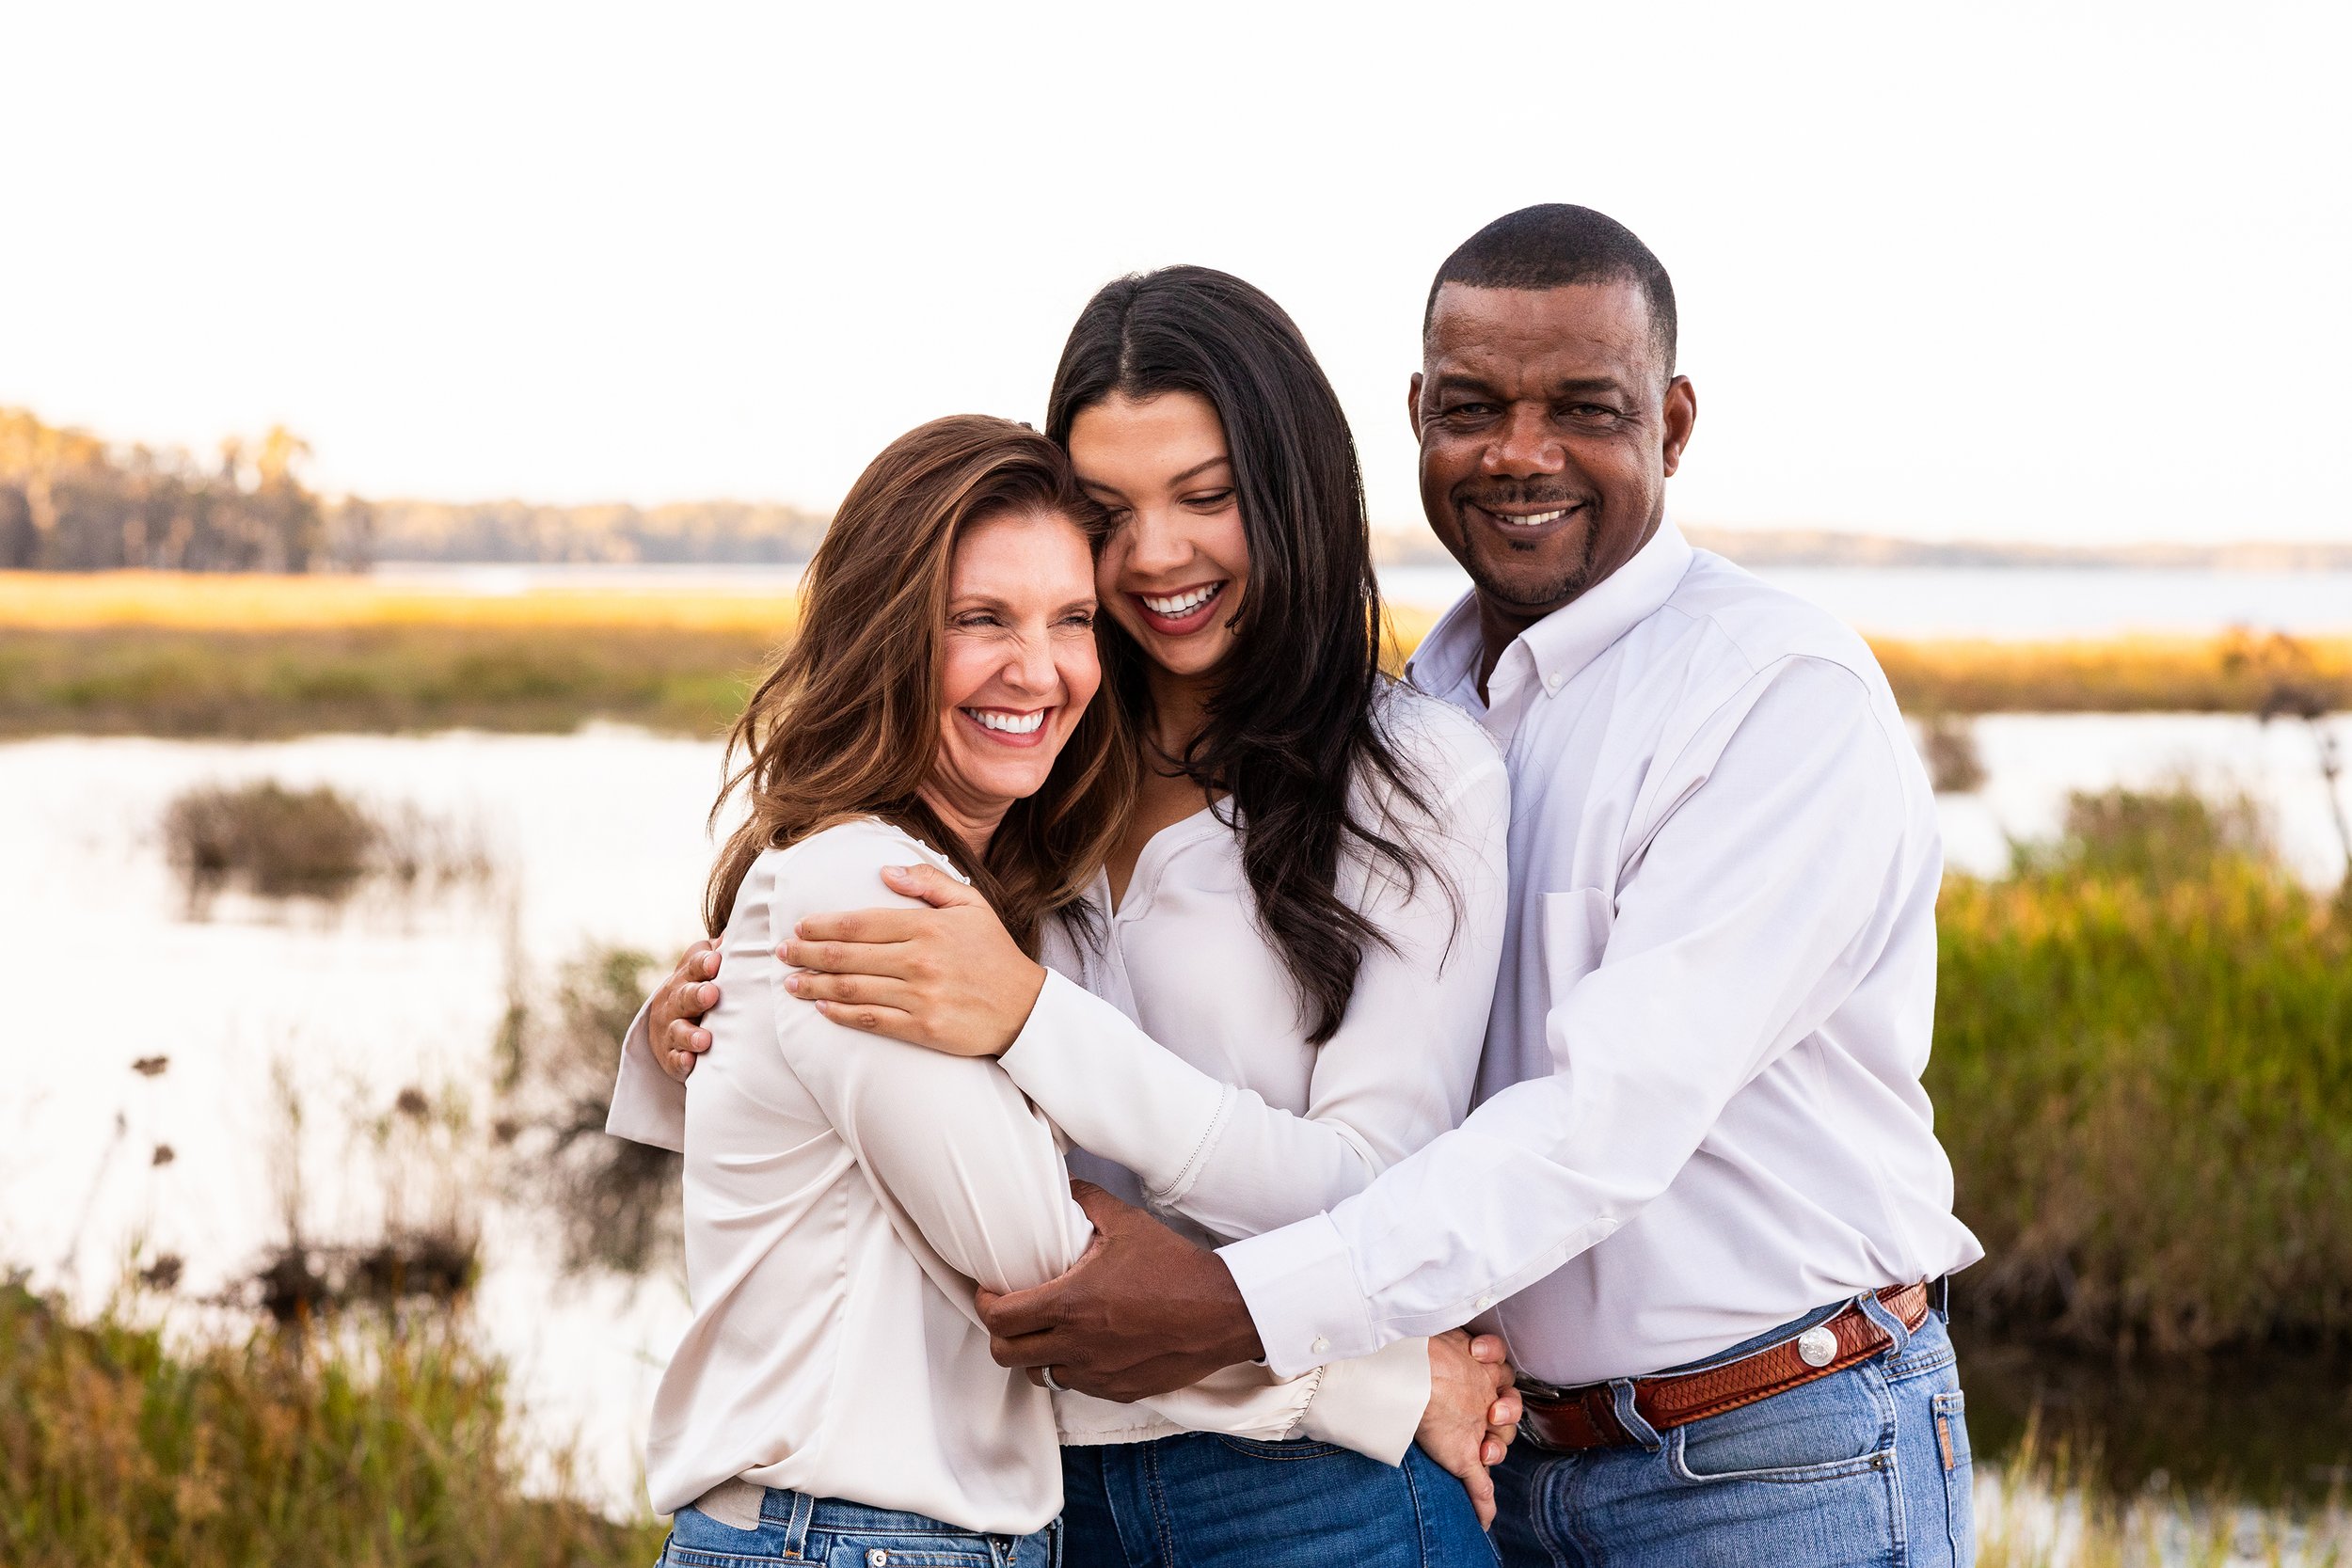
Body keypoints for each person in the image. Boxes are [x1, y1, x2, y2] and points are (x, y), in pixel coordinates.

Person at [772, 208, 1990, 1567]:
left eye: (1583, 407)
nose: (1519, 453)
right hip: (1436, 1453)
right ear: (1415, 417)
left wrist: (1229, 1304)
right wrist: (714, 1012)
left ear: (1675, 421)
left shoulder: (1763, 700)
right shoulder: (1121, 736)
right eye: (1472, 408)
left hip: (1762, 1453)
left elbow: (1590, 1130)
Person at [619, 273, 1520, 1566]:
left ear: (1295, 493)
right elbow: (900, 1143)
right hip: (1034, 1489)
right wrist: (684, 1036)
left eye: (1207, 498)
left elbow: (1375, 1202)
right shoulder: (1032, 755)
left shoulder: (1413, 779)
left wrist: (1034, 1020)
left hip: (1306, 1498)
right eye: (1107, 514)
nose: (1156, 554)